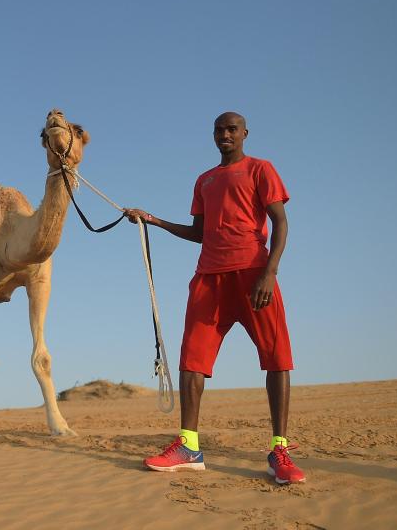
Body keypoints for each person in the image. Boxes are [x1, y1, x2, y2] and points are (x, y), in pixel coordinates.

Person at [125, 112, 305, 485]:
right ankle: (188, 446)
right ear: (213, 136)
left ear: (244, 134)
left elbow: (281, 222)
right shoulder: (204, 180)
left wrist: (270, 273)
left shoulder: (260, 169)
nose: (225, 134)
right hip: (209, 277)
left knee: (276, 356)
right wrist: (153, 220)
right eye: (219, 130)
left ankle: (280, 449)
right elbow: (199, 232)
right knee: (192, 358)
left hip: (254, 275)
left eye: (231, 129)